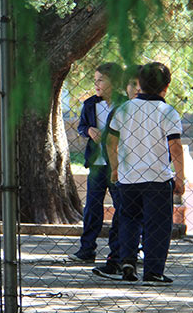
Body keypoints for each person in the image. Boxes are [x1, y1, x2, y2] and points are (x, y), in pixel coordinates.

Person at [106, 62, 185, 285]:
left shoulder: (124, 109)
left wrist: (115, 167)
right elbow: (175, 146)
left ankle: (128, 261)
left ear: (139, 84)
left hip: (128, 177)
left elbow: (111, 141)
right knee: (157, 225)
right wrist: (179, 177)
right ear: (166, 87)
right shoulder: (167, 111)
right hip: (157, 178)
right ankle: (153, 271)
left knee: (129, 219)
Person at [69, 63, 123, 263]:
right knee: (92, 206)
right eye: (95, 80)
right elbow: (82, 127)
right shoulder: (90, 104)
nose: (96, 84)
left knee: (122, 206)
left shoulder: (125, 104)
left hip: (117, 164)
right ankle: (87, 249)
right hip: (96, 164)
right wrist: (89, 130)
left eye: (101, 80)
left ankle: (118, 249)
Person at [92, 65, 141, 279]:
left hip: (149, 175)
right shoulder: (120, 110)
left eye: (142, 84)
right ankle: (117, 260)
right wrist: (116, 168)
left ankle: (141, 262)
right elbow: (109, 142)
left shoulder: (158, 110)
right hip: (123, 174)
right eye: (133, 84)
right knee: (122, 217)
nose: (137, 89)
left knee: (142, 220)